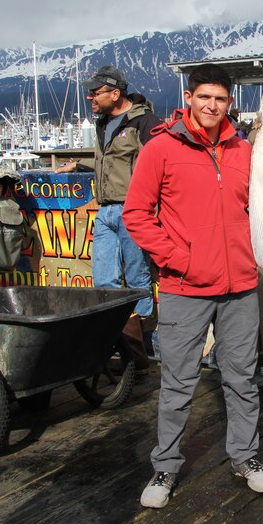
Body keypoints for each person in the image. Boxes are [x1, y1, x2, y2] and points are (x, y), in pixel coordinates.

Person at [123, 63, 263, 509]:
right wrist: (178, 259)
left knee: (242, 378)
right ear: (189, 97)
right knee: (178, 382)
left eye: (221, 99)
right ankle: (166, 466)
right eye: (204, 96)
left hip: (241, 286)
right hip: (183, 288)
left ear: (230, 103)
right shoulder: (161, 148)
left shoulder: (245, 150)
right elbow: (136, 214)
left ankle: (245, 457)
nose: (212, 105)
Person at [56, 65, 161, 373]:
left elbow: (160, 161)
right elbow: (106, 159)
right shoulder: (103, 122)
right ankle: (121, 349)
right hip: (105, 211)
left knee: (139, 280)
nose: (90, 97)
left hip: (134, 209)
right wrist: (77, 164)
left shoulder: (144, 121)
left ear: (115, 94)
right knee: (103, 279)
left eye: (96, 92)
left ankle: (141, 354)